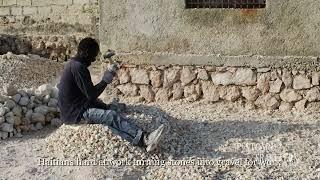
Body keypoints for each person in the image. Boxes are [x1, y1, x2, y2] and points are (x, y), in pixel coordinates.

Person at [57, 37, 164, 152]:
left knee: (106, 107)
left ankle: (136, 139)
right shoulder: (78, 68)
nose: (93, 60)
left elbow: (88, 94)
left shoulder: (73, 64)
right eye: (93, 56)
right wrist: (106, 79)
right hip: (75, 114)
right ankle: (145, 138)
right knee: (111, 116)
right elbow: (91, 94)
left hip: (78, 106)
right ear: (86, 53)